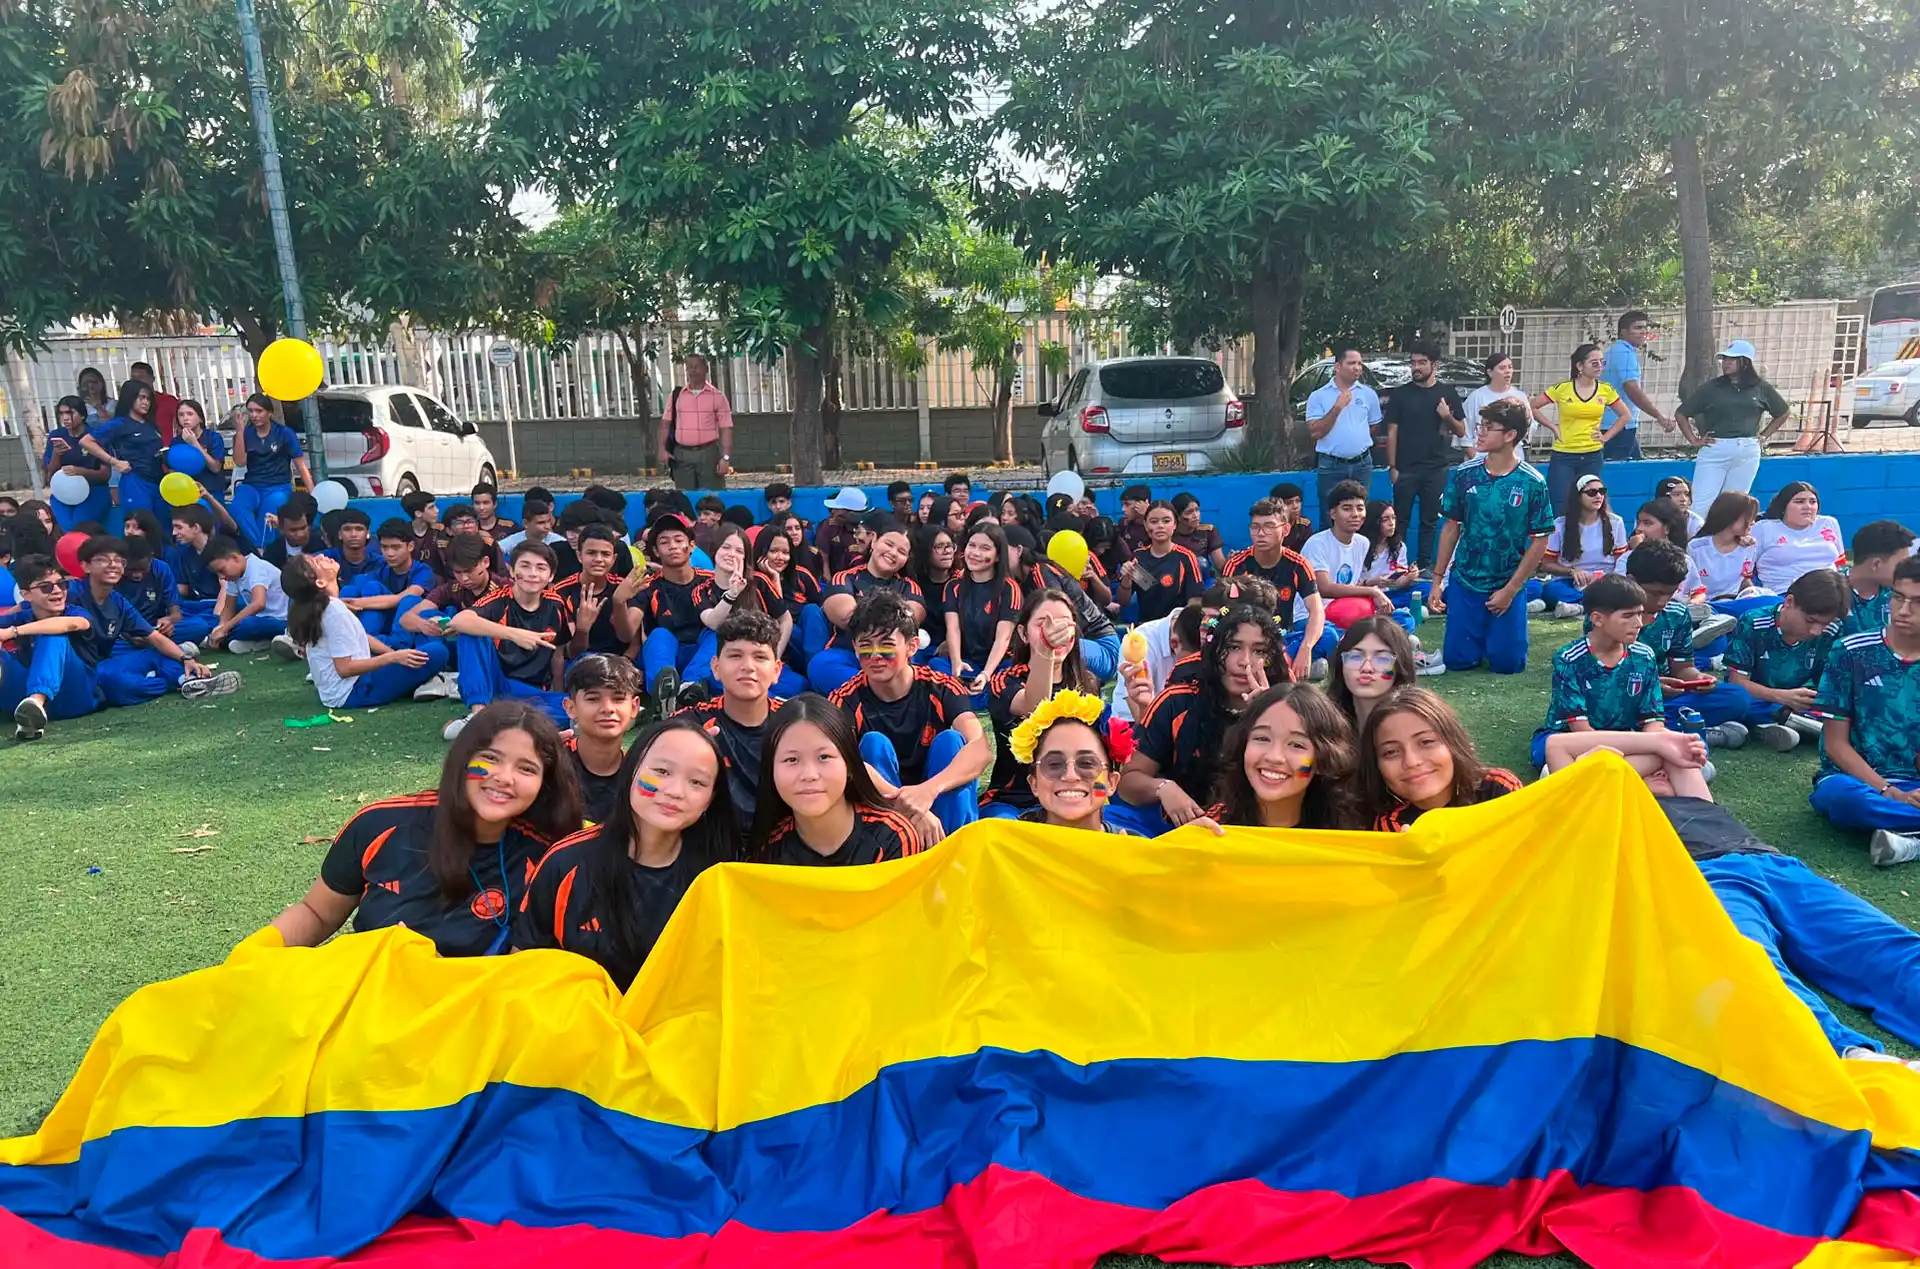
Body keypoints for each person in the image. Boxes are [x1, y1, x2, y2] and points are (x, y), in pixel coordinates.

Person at [1547, 728, 1920, 1062]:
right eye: (1640, 770)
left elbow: (1677, 751)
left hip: (1776, 868)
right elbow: (1559, 746)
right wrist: (1640, 757)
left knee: (1885, 945)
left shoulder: (1695, 797)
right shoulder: (1606, 809)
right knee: (1748, 964)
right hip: (1698, 878)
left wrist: (1656, 749)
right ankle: (1847, 1056)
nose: (1657, 771)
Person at [271, 702, 579, 957]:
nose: (503, 777)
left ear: (544, 784)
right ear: (462, 759)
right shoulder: (380, 824)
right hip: (365, 999)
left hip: (469, 1014)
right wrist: (258, 953)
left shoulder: (548, 857)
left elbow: (523, 973)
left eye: (526, 768)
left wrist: (433, 974)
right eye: (489, 758)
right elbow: (317, 912)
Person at [513, 718, 732, 988]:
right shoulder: (565, 863)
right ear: (631, 770)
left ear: (711, 799)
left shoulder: (717, 876)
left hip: (674, 1027)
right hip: (575, 1022)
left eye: (697, 782)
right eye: (662, 771)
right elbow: (521, 967)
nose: (675, 791)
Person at [4, 537, 239, 738]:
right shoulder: (70, 593)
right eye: (105, 559)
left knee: (138, 658)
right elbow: (23, 609)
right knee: (114, 680)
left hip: (87, 676)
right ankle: (32, 712)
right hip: (91, 669)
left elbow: (151, 636)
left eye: (118, 560)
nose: (114, 565)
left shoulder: (98, 605)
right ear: (84, 566)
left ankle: (183, 679)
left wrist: (185, 657)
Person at [1115, 602, 1291, 835]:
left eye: (1259, 651)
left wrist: (1265, 718)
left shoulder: (1291, 711)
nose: (1245, 661)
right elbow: (1128, 781)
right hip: (1178, 830)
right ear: (1214, 650)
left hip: (1260, 833)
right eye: (1233, 647)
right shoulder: (1176, 702)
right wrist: (1163, 788)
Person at [828, 590, 987, 833]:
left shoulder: (941, 687)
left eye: (887, 645)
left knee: (952, 742)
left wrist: (928, 790)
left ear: (912, 646)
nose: (876, 655)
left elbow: (981, 748)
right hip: (887, 806)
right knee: (872, 745)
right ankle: (890, 845)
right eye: (866, 646)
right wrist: (907, 803)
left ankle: (956, 851)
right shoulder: (845, 697)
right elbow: (839, 760)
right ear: (854, 647)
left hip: (937, 797)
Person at [1429, 398, 1554, 674]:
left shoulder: (1532, 482)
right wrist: (1438, 581)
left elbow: (1540, 539)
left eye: (1489, 426)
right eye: (1480, 425)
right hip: (1465, 579)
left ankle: (1499, 633)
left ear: (1510, 435)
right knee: (1458, 662)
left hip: (1507, 582)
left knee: (1508, 665)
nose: (1480, 431)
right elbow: (1451, 526)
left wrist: (1510, 590)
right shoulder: (1464, 474)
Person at [1808, 557, 1920, 862]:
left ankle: (1910, 843)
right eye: (1898, 597)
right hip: (1858, 781)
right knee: (1841, 799)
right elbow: (1834, 744)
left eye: (1917, 602)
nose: (1904, 611)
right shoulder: (1851, 651)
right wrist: (1888, 791)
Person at [750, 693, 930, 865]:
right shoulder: (769, 853)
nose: (809, 775)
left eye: (824, 757)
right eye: (792, 760)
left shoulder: (893, 836)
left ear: (849, 764)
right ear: (771, 769)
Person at [282, 553, 452, 710]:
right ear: (320, 582)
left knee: (414, 652)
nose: (322, 556)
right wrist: (392, 658)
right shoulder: (333, 610)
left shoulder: (328, 605)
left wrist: (395, 654)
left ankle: (418, 679)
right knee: (438, 652)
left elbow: (363, 637)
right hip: (354, 691)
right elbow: (344, 669)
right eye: (316, 562)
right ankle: (427, 681)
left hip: (342, 689)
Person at [981, 589, 1097, 819]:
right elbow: (1036, 709)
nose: (1055, 632)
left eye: (1065, 624)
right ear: (1023, 633)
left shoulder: (1087, 683)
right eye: (1043, 624)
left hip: (1072, 796)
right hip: (1014, 799)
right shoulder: (1005, 680)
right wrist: (1046, 651)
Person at [1530, 573, 1664, 769]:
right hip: (1570, 738)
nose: (1639, 624)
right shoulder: (1569, 659)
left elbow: (1653, 719)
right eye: (1628, 616)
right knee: (1547, 751)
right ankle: (1632, 771)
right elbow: (1579, 728)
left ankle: (1598, 772)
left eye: (1640, 614)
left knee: (1678, 746)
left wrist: (1650, 743)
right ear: (1597, 619)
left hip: (1624, 737)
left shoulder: (1644, 656)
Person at [445, 540, 574, 739]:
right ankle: (479, 715)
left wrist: (557, 693)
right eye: (525, 566)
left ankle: (500, 721)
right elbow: (460, 620)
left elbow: (558, 653)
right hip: (497, 684)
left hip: (532, 691)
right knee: (470, 632)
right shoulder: (498, 599)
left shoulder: (556, 605)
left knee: (575, 708)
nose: (533, 573)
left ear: (551, 575)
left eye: (541, 568)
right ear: (512, 571)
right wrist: (515, 633)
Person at [674, 610, 784, 839]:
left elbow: (847, 766)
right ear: (715, 668)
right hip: (708, 846)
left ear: (776, 670)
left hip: (783, 846)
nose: (748, 666)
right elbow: (645, 778)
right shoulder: (688, 725)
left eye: (760, 657)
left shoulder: (796, 723)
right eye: (735, 656)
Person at [1196, 682, 1362, 831]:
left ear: (1323, 759)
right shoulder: (1214, 829)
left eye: (1297, 745)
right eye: (1262, 738)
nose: (1275, 757)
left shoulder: (1345, 838)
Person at [1362, 687, 1524, 829]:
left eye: (1426, 742)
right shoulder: (1392, 826)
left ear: (1453, 742)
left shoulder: (1499, 788)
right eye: (1391, 752)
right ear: (1377, 766)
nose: (1412, 762)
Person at [1724, 568, 1849, 752]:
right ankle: (1795, 724)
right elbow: (1738, 682)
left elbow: (1831, 684)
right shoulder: (1754, 622)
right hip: (1762, 699)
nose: (1816, 631)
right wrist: (1782, 697)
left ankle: (1773, 726)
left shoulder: (1832, 631)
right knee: (1737, 700)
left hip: (1804, 705)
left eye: (1824, 624)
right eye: (1810, 620)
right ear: (1789, 602)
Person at [809, 523, 924, 694]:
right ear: (874, 541)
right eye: (889, 544)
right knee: (820, 665)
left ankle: (876, 694)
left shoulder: (910, 587)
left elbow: (909, 622)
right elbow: (847, 617)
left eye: (901, 552)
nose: (893, 553)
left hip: (891, 656)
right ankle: (876, 694)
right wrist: (890, 617)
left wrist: (864, 611)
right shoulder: (844, 577)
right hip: (849, 654)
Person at [1003, 688, 1139, 834]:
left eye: (1086, 763)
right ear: (1034, 783)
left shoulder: (1137, 851)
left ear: (1111, 783)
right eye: (1054, 764)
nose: (1070, 776)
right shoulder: (1004, 849)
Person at [1676, 339, 1792, 508]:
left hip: (1747, 449)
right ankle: (1696, 534)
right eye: (1725, 359)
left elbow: (1782, 412)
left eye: (1731, 359)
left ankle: (1727, 535)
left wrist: (1765, 435)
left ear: (1745, 362)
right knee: (1702, 501)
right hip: (1716, 448)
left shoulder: (1760, 387)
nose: (1726, 363)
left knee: (1734, 503)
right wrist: (1694, 440)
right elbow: (1681, 413)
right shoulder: (1712, 388)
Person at [1383, 340, 1466, 571]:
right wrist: (1392, 466)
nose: (1416, 367)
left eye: (1422, 362)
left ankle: (1425, 565)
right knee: (1399, 520)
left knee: (1430, 520)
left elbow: (1461, 430)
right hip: (1405, 468)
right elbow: (1392, 431)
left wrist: (1447, 416)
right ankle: (1395, 564)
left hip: (1436, 468)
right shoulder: (1401, 395)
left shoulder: (1447, 393)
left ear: (1434, 365)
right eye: (1413, 363)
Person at [2, 555, 102, 739]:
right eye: (46, 587)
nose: (57, 591)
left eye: (62, 584)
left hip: (75, 697)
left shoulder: (75, 612)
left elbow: (72, 624)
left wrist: (12, 632)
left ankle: (36, 702)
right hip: (23, 697)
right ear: (26, 595)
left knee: (53, 632)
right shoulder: (22, 616)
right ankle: (29, 718)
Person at [1302, 480, 1417, 638]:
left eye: (1360, 508)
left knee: (1404, 619)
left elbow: (1351, 585)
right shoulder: (1317, 543)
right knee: (1331, 635)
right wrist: (1372, 591)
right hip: (1314, 614)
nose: (1355, 514)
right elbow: (1324, 588)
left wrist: (1372, 587)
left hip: (1349, 610)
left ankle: (1361, 642)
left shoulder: (1362, 543)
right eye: (1347, 508)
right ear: (1333, 513)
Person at [1225, 499, 1326, 678]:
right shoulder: (1236, 565)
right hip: (1245, 640)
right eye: (1255, 527)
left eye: (1269, 526)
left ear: (1285, 530)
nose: (1261, 533)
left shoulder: (1299, 565)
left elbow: (1317, 610)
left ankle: (1293, 662)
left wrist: (1306, 647)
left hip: (1283, 637)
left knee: (1329, 635)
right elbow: (1224, 612)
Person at [622, 512, 713, 707]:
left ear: (691, 546)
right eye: (664, 542)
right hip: (664, 657)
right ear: (655, 550)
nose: (672, 546)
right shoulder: (648, 586)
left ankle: (691, 686)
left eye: (678, 539)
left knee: (716, 631)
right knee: (660, 634)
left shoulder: (710, 581)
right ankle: (663, 694)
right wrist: (619, 600)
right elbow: (627, 631)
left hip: (702, 657)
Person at [1532, 343, 1630, 516]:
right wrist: (1552, 426)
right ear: (1579, 366)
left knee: (1591, 505)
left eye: (1602, 362)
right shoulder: (1563, 388)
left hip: (1592, 455)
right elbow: (1532, 407)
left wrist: (1606, 437)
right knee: (1560, 504)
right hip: (1564, 455)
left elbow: (1625, 415)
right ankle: (1559, 542)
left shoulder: (1605, 390)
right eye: (1594, 363)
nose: (1599, 366)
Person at [559, 653, 644, 825]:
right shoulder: (552, 763)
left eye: (618, 699)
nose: (608, 708)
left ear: (634, 707)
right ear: (571, 708)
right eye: (593, 699)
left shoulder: (640, 771)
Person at [941, 521, 1021, 696]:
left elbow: (1004, 637)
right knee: (937, 667)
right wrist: (957, 664)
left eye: (985, 548)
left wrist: (986, 673)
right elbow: (953, 629)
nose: (975, 553)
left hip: (1000, 663)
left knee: (1010, 677)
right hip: (967, 662)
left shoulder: (1009, 588)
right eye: (972, 545)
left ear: (998, 556)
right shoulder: (953, 587)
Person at [1307, 347, 1382, 524]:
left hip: (1362, 464)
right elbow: (1315, 432)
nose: (1357, 367)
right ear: (1338, 367)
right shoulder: (1319, 396)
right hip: (1331, 465)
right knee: (1329, 515)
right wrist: (1337, 408)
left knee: (1359, 516)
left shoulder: (1368, 394)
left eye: (1359, 364)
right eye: (1351, 363)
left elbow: (1374, 426)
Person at [1538, 474, 1628, 617]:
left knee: (1622, 588)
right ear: (1578, 497)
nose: (1598, 496)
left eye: (1602, 491)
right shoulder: (1560, 525)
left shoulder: (1615, 522)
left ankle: (1580, 607)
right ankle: (1595, 605)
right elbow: (1546, 564)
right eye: (1592, 492)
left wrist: (1607, 578)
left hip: (1606, 580)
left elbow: (1622, 560)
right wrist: (1572, 571)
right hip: (1570, 581)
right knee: (1551, 590)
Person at [229, 394, 314, 545]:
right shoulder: (245, 433)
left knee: (269, 516)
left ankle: (264, 550)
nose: (254, 415)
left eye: (259, 411)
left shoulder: (284, 433)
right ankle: (256, 546)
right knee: (237, 507)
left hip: (277, 486)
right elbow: (240, 462)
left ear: (269, 412)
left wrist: (313, 494)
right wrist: (240, 432)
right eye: (250, 411)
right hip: (252, 485)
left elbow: (300, 465)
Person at [80, 379, 169, 521]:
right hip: (135, 480)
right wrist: (115, 462)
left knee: (162, 525)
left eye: (148, 399)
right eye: (141, 398)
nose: (146, 402)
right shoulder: (119, 423)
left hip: (157, 481)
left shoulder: (150, 424)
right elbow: (86, 441)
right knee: (141, 525)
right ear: (130, 397)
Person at [339, 519, 435, 645]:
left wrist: (355, 603)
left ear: (410, 546)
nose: (390, 554)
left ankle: (391, 643)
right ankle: (362, 639)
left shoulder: (422, 571)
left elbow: (401, 598)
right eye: (384, 547)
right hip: (384, 622)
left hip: (411, 627)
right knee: (352, 589)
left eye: (396, 548)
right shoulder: (381, 568)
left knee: (409, 599)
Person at [1324, 616, 1418, 734]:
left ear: (1400, 666)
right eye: (1355, 657)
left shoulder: (1416, 728)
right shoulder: (1322, 727)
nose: (1366, 668)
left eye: (1382, 659)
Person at [1115, 500, 1204, 624]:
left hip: (1176, 627)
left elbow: (1196, 600)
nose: (1160, 526)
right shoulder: (1138, 557)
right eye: (1154, 521)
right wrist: (1126, 582)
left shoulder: (1186, 557)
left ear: (1175, 525)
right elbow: (1123, 602)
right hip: (1146, 628)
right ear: (1146, 526)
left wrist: (1179, 626)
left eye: (1166, 521)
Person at [203, 536, 294, 656]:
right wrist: (220, 626)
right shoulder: (233, 577)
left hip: (281, 621)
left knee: (247, 625)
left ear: (235, 558)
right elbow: (228, 607)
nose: (221, 576)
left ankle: (217, 640)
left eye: (222, 570)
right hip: (260, 619)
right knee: (218, 620)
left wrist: (225, 629)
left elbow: (259, 604)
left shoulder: (256, 567)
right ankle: (255, 642)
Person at [1753, 481, 1845, 594]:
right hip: (1783, 593)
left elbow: (1840, 564)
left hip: (1830, 592)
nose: (1808, 507)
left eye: (1813, 502)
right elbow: (1746, 567)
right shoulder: (1763, 528)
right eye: (1799, 502)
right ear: (1784, 506)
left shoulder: (1828, 523)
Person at [557, 523, 633, 660]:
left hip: (619, 662)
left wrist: (625, 664)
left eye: (605, 554)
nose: (598, 559)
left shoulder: (624, 587)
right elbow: (568, 652)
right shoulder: (560, 592)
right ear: (579, 556)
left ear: (614, 559)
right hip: (580, 662)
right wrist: (582, 629)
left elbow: (632, 642)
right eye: (591, 553)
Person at [1600, 310, 1667, 461]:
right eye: (1637, 328)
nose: (1643, 332)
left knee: (1637, 464)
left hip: (1613, 422)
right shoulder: (1624, 354)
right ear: (1623, 331)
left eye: (1645, 328)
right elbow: (1632, 389)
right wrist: (1659, 416)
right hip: (1619, 424)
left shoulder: (1613, 351)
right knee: (1620, 473)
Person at [660, 353, 733, 490]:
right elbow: (665, 423)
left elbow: (726, 428)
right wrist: (662, 449)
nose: (693, 370)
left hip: (708, 454)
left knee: (711, 498)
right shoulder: (677, 395)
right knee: (684, 497)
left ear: (706, 369)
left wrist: (726, 458)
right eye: (689, 367)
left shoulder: (717, 397)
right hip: (682, 455)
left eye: (697, 366)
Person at [1687, 492, 1768, 613]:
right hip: (1707, 605)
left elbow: (1744, 580)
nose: (1752, 522)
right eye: (1749, 518)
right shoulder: (1696, 548)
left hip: (1737, 602)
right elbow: (1689, 586)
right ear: (1730, 517)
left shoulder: (1748, 546)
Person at [1835, 520, 1916, 639]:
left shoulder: (1903, 591)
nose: (1906, 569)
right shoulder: (1830, 592)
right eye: (1901, 564)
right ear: (1876, 565)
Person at [41, 395, 112, 531]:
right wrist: (57, 454)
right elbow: (50, 474)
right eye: (61, 414)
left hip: (94, 491)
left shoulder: (95, 436)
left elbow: (105, 475)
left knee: (79, 526)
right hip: (63, 494)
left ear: (83, 415)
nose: (65, 418)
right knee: (66, 526)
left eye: (70, 413)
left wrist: (80, 472)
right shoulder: (56, 435)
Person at [1460, 353, 1530, 460]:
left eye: (1510, 367)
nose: (1508, 371)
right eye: (1502, 368)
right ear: (1490, 372)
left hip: (1513, 459)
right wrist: (1475, 458)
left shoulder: (1520, 397)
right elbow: (1465, 433)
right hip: (1481, 460)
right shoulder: (1476, 397)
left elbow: (1527, 429)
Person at [170, 399, 229, 505]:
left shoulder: (213, 438)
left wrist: (195, 444)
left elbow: (215, 468)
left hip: (211, 491)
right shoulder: (176, 442)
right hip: (187, 492)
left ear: (200, 418)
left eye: (190, 414)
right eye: (181, 415)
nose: (185, 418)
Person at [1616, 497, 1692, 569]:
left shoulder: (1685, 561)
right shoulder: (1626, 559)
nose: (1639, 529)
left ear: (1667, 528)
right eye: (1638, 523)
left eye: (1647, 523)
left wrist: (1640, 553)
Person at [259, 493, 325, 569]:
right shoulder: (272, 552)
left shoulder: (321, 547)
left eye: (303, 528)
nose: (300, 534)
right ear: (281, 529)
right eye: (293, 530)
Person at [815, 487, 869, 576]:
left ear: (851, 513)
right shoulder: (829, 526)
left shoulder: (871, 529)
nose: (833, 512)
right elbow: (824, 561)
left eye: (837, 509)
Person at [1170, 493, 1227, 577]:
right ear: (1178, 516)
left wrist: (1230, 563)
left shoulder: (1207, 531)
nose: (1196, 516)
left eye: (1197, 510)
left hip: (1203, 579)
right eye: (1189, 512)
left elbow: (1220, 566)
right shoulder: (1169, 534)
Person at [320, 508, 379, 585]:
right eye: (347, 529)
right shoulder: (326, 558)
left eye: (359, 529)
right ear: (340, 534)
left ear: (368, 534)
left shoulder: (379, 563)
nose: (353, 534)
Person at [127, 361, 180, 441]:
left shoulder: (168, 401)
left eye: (141, 377)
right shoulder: (128, 402)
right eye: (133, 378)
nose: (136, 381)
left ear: (152, 379)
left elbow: (181, 427)